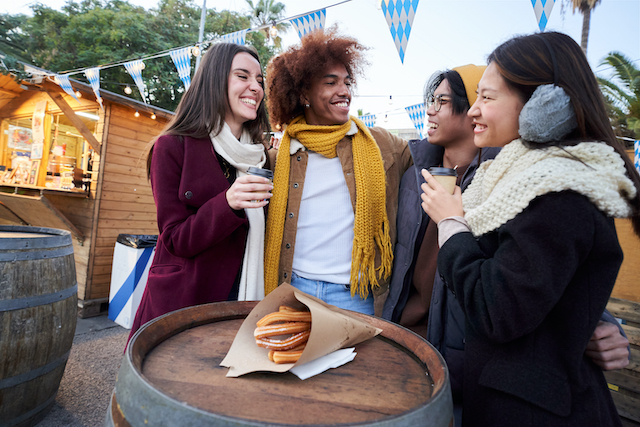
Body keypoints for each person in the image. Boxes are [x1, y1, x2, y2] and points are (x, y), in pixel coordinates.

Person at [383, 64, 631, 426]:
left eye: (443, 101)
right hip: (409, 339)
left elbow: (539, 265)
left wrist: (600, 323)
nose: (431, 110)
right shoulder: (410, 167)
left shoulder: (512, 183)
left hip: (471, 359)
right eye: (429, 100)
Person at [127, 43, 273, 341]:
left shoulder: (261, 157)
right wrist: (228, 202)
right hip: (184, 303)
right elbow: (174, 239)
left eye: (259, 80)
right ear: (215, 80)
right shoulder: (172, 146)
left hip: (241, 300)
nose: (255, 87)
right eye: (242, 76)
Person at [263, 27, 412, 315]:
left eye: (346, 82)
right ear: (304, 92)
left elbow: (432, 155)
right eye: (331, 83)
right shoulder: (277, 157)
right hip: (293, 291)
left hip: (356, 296)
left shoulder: (381, 144)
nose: (344, 91)